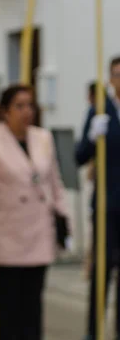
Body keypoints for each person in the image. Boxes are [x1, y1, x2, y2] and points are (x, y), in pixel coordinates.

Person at [0, 84, 69, 340]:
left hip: (38, 234)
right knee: (10, 312)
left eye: (30, 105)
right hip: (8, 239)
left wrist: (64, 218)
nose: (27, 111)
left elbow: (54, 183)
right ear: (5, 111)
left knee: (33, 309)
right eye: (19, 106)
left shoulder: (42, 138)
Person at [76, 57, 120, 340]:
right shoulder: (100, 110)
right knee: (102, 273)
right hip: (107, 204)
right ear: (110, 79)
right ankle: (94, 333)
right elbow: (79, 155)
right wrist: (94, 136)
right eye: (117, 75)